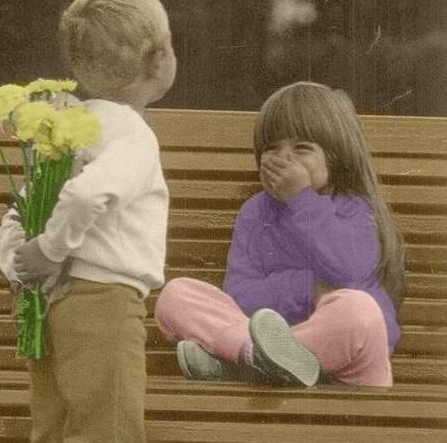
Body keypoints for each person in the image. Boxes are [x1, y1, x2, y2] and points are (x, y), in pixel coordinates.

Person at [0, 0, 177, 443]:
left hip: (53, 303)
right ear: (159, 59)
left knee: (52, 435)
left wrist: (24, 265)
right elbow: (86, 194)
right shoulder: (133, 136)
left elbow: (20, 210)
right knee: (106, 441)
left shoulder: (67, 127)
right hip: (105, 302)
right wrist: (52, 249)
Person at [155, 81, 405, 388]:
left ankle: (248, 362)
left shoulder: (353, 209)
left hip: (348, 374)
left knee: (360, 309)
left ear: (335, 157)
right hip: (261, 347)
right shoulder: (256, 213)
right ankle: (258, 356)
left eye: (301, 148)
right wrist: (309, 289)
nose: (284, 158)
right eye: (272, 148)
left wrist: (301, 200)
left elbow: (348, 272)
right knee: (176, 295)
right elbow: (241, 296)